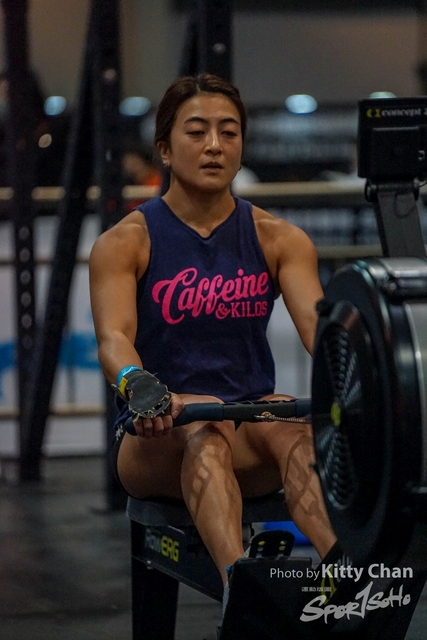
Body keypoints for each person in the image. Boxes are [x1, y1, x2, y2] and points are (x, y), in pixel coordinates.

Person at [89, 73, 337, 608]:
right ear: (165, 148)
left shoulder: (280, 239)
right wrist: (139, 385)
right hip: (156, 438)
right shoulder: (125, 242)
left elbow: (322, 333)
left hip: (244, 425)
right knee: (204, 423)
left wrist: (366, 381)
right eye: (197, 131)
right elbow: (113, 338)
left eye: (228, 132)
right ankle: (241, 593)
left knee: (290, 423)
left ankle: (350, 580)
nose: (214, 145)